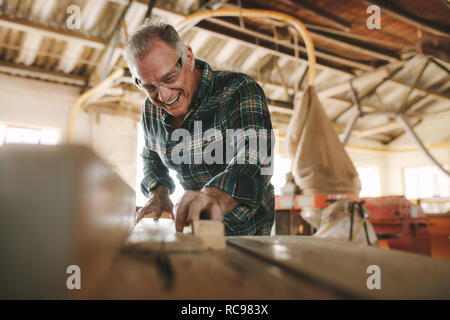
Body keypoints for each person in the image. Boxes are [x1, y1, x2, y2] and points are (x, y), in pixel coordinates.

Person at [125, 19, 274, 236]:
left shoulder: (239, 90)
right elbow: (151, 157)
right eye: (149, 87)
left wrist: (215, 197)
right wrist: (159, 192)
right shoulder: (150, 110)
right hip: (197, 230)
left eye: (170, 77)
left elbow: (256, 157)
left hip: (249, 231)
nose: (164, 96)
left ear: (189, 57)